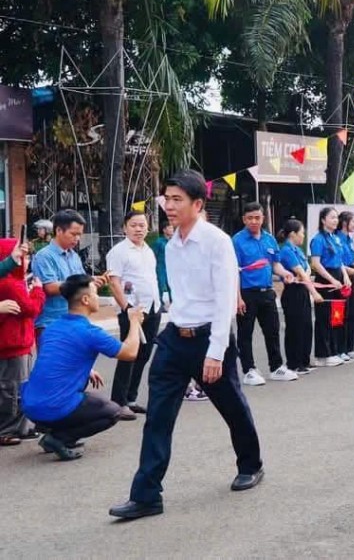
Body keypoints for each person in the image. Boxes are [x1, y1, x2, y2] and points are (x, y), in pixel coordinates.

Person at [110, 170, 264, 520]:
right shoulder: (171, 244)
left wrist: (215, 352)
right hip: (175, 339)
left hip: (211, 338)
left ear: (198, 203)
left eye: (177, 199)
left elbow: (225, 299)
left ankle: (251, 464)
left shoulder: (216, 241)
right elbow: (180, 296)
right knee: (158, 418)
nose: (169, 205)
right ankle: (147, 494)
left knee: (233, 406)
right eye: (166, 198)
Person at [21, 275, 143, 460]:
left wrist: (88, 370)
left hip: (30, 405)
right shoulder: (89, 332)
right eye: (94, 293)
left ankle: (52, 429)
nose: (97, 298)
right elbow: (130, 353)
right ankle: (58, 438)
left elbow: (56, 360)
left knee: (83, 389)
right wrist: (134, 322)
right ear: (85, 300)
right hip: (53, 406)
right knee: (112, 411)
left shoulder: (52, 328)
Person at [105, 211, 161, 421]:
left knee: (144, 355)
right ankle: (118, 402)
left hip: (152, 308)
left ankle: (131, 398)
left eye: (142, 225)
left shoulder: (147, 250)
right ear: (125, 228)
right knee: (129, 355)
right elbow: (114, 282)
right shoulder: (119, 251)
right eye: (134, 225)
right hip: (132, 311)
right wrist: (126, 307)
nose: (139, 229)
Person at [233, 202, 297, 385]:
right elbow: (234, 271)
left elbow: (275, 264)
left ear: (263, 218)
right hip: (246, 293)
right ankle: (249, 370)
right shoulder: (237, 241)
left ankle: (276, 366)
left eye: (257, 218)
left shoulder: (269, 239)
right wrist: (237, 298)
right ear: (244, 219)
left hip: (267, 291)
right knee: (245, 334)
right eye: (250, 218)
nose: (254, 221)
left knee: (273, 331)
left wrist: (285, 273)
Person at [0, 239, 44, 446]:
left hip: (21, 343)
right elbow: (30, 308)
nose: (25, 261)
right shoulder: (9, 283)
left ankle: (21, 426)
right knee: (12, 390)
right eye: (21, 256)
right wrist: (38, 291)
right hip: (11, 345)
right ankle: (7, 429)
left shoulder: (15, 281)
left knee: (20, 388)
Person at [31, 210, 90, 337]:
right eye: (73, 234)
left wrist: (92, 282)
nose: (77, 239)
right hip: (50, 323)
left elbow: (83, 281)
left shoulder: (74, 256)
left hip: (74, 319)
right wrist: (82, 282)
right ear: (58, 231)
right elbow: (50, 288)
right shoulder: (44, 256)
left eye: (79, 234)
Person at [278, 219, 323, 374]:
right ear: (292, 234)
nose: (303, 236)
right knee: (295, 328)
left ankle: (304, 360)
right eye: (301, 233)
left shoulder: (298, 250)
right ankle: (294, 363)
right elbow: (302, 272)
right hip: (292, 292)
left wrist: (305, 278)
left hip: (302, 289)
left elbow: (307, 270)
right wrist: (315, 292)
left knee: (306, 326)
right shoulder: (286, 251)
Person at [309, 207, 351, 367]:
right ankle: (322, 354)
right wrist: (332, 279)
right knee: (324, 318)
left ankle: (333, 351)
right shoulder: (318, 239)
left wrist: (345, 276)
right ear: (323, 220)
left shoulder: (336, 238)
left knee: (336, 317)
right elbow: (316, 264)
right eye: (332, 217)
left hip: (338, 278)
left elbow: (339, 261)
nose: (335, 220)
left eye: (336, 218)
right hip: (326, 280)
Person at [338, 211, 354, 361]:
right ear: (345, 222)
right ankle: (341, 349)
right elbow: (338, 262)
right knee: (343, 314)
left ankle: (350, 347)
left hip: (352, 275)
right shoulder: (338, 239)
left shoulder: (349, 239)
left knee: (352, 312)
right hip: (342, 276)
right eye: (352, 222)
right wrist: (349, 270)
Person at [150, 222, 174, 310]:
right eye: (169, 227)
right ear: (164, 230)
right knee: (160, 285)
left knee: (172, 286)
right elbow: (153, 255)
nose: (172, 229)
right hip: (160, 267)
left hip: (171, 267)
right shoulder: (159, 242)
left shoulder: (173, 242)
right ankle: (159, 304)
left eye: (172, 227)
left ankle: (174, 304)